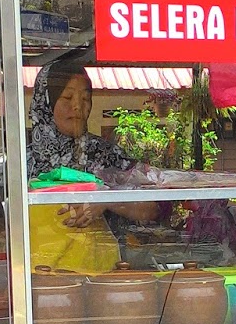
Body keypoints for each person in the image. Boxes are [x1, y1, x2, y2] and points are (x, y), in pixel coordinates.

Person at [27, 58, 158, 273]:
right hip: (38, 282)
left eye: (86, 98)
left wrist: (105, 201)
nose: (78, 106)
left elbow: (152, 208)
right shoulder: (25, 161)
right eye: (67, 97)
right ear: (46, 103)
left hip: (101, 278)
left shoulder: (107, 154)